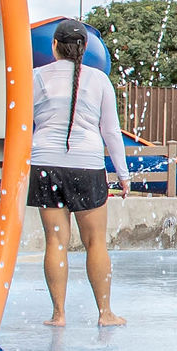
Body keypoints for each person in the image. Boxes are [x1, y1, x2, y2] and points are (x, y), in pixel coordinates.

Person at [28, 23, 124, 327]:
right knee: (95, 242)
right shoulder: (99, 80)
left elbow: (19, 123)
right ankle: (105, 313)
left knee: (56, 242)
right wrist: (123, 173)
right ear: (84, 47)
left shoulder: (36, 77)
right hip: (88, 164)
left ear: (54, 46)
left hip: (45, 163)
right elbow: (110, 131)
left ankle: (58, 314)